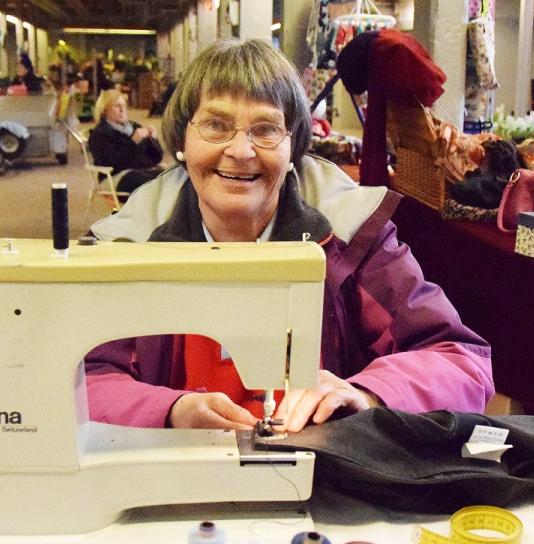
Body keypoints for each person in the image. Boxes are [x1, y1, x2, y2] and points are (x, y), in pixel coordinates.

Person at [85, 39, 494, 433]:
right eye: (215, 125)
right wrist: (168, 410)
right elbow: (80, 373)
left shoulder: (351, 236)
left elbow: (461, 361)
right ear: (182, 140)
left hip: (325, 476)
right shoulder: (130, 246)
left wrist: (367, 393)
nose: (241, 151)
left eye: (265, 129)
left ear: (293, 144)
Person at [86, 88, 164, 193]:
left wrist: (153, 140)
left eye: (124, 106)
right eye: (117, 106)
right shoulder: (99, 134)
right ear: (104, 110)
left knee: (172, 177)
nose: (122, 109)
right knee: (151, 183)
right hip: (115, 176)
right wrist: (133, 142)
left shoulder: (134, 127)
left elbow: (156, 158)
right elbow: (112, 163)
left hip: (139, 171)